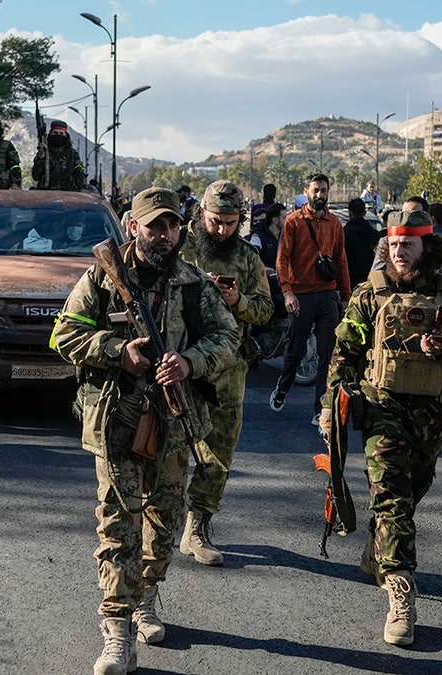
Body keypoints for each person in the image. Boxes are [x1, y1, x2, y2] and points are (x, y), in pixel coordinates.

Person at [51, 186, 238, 674]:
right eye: (155, 225)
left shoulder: (193, 282)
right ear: (133, 228)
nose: (166, 234)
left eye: (173, 224)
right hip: (118, 418)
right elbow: (63, 332)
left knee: (164, 518)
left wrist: (191, 362)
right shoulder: (103, 277)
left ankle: (145, 596)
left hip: (175, 422)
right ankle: (116, 631)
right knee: (117, 522)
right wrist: (117, 352)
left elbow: (228, 337)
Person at [324, 209, 442, 646]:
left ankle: (379, 552)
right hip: (381, 409)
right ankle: (401, 595)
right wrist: (331, 405)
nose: (398, 252)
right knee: (392, 497)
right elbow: (344, 354)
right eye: (393, 245)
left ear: (427, 248)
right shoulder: (369, 294)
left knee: (413, 491)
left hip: (430, 412)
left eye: (407, 245)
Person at [177, 180, 273, 566]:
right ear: (201, 213)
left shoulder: (247, 258)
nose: (222, 230)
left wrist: (238, 300)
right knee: (165, 444)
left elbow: (265, 310)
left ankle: (196, 526)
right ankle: (158, 521)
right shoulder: (177, 247)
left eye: (231, 223)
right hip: (179, 361)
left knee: (218, 451)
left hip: (227, 368)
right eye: (216, 221)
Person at [270, 173, 350, 426]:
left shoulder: (335, 223)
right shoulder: (293, 222)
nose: (320, 195)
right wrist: (287, 291)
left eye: (324, 190)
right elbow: (282, 258)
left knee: (328, 354)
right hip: (301, 295)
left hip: (327, 294)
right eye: (315, 190)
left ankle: (320, 408)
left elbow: (341, 260)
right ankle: (282, 388)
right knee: (296, 350)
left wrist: (346, 296)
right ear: (306, 191)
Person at [32, 120, 86, 191]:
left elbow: (80, 175)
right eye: (55, 132)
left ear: (66, 135)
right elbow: (35, 176)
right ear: (50, 133)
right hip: (47, 193)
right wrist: (41, 157)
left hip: (67, 193)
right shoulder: (45, 152)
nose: (58, 135)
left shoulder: (72, 153)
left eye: (61, 133)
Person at [343, 197, 383, 289]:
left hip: (349, 282)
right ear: (364, 213)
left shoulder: (342, 235)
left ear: (350, 213)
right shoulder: (375, 235)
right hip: (370, 282)